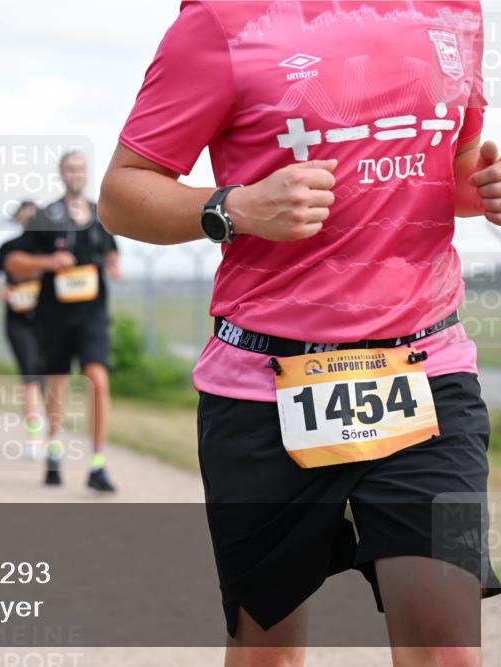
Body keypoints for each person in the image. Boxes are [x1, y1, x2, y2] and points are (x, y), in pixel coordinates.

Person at [99, 1, 497, 663]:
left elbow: (446, 170)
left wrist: (486, 188)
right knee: (268, 652)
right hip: (264, 388)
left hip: (427, 375)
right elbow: (120, 194)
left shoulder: (454, 11)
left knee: (448, 648)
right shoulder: (221, 22)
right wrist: (236, 206)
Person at [6, 152, 122, 492]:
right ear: (61, 174)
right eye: (70, 168)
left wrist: (113, 264)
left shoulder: (101, 214)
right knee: (57, 386)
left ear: (86, 174)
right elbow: (14, 262)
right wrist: (48, 260)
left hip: (93, 315)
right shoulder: (45, 215)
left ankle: (98, 462)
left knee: (97, 379)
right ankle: (54, 449)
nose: (76, 174)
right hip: (54, 317)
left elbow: (111, 250)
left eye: (80, 168)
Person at [0, 200, 46, 458]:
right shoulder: (8, 248)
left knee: (47, 375)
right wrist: (3, 291)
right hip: (18, 318)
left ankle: (46, 426)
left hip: (47, 320)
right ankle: (34, 436)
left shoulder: (48, 246)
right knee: (29, 373)